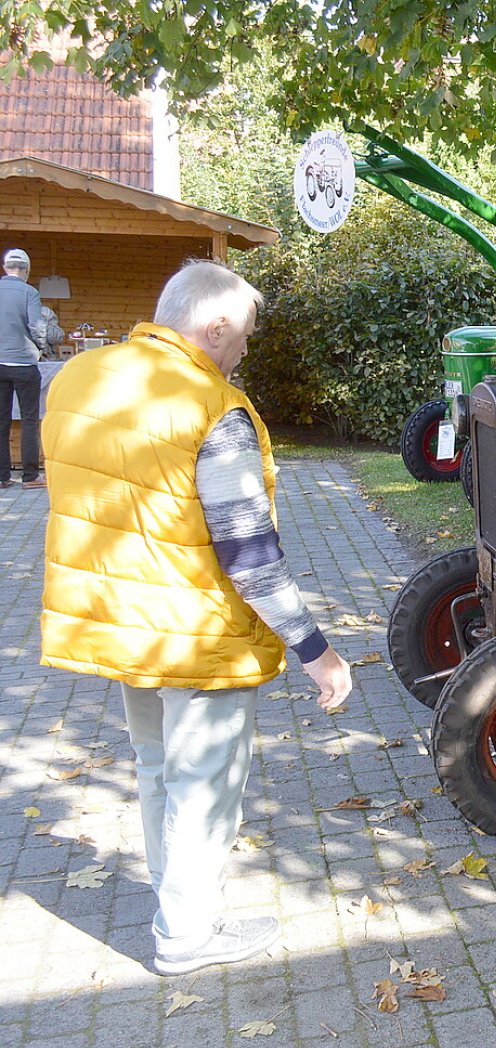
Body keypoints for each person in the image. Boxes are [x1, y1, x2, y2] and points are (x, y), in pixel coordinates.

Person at [39, 260, 353, 976]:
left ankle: (174, 902)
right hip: (197, 633)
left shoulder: (78, 379)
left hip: (120, 619)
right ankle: (187, 933)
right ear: (213, 326)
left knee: (158, 767)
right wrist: (316, 650)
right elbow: (250, 554)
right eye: (243, 335)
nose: (245, 349)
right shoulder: (212, 407)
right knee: (203, 784)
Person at [0, 248, 49, 488]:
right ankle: (30, 476)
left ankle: (2, 477)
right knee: (30, 419)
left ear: (5, 267)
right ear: (26, 269)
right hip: (24, 364)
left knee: (1, 420)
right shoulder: (29, 292)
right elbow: (37, 326)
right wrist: (40, 348)